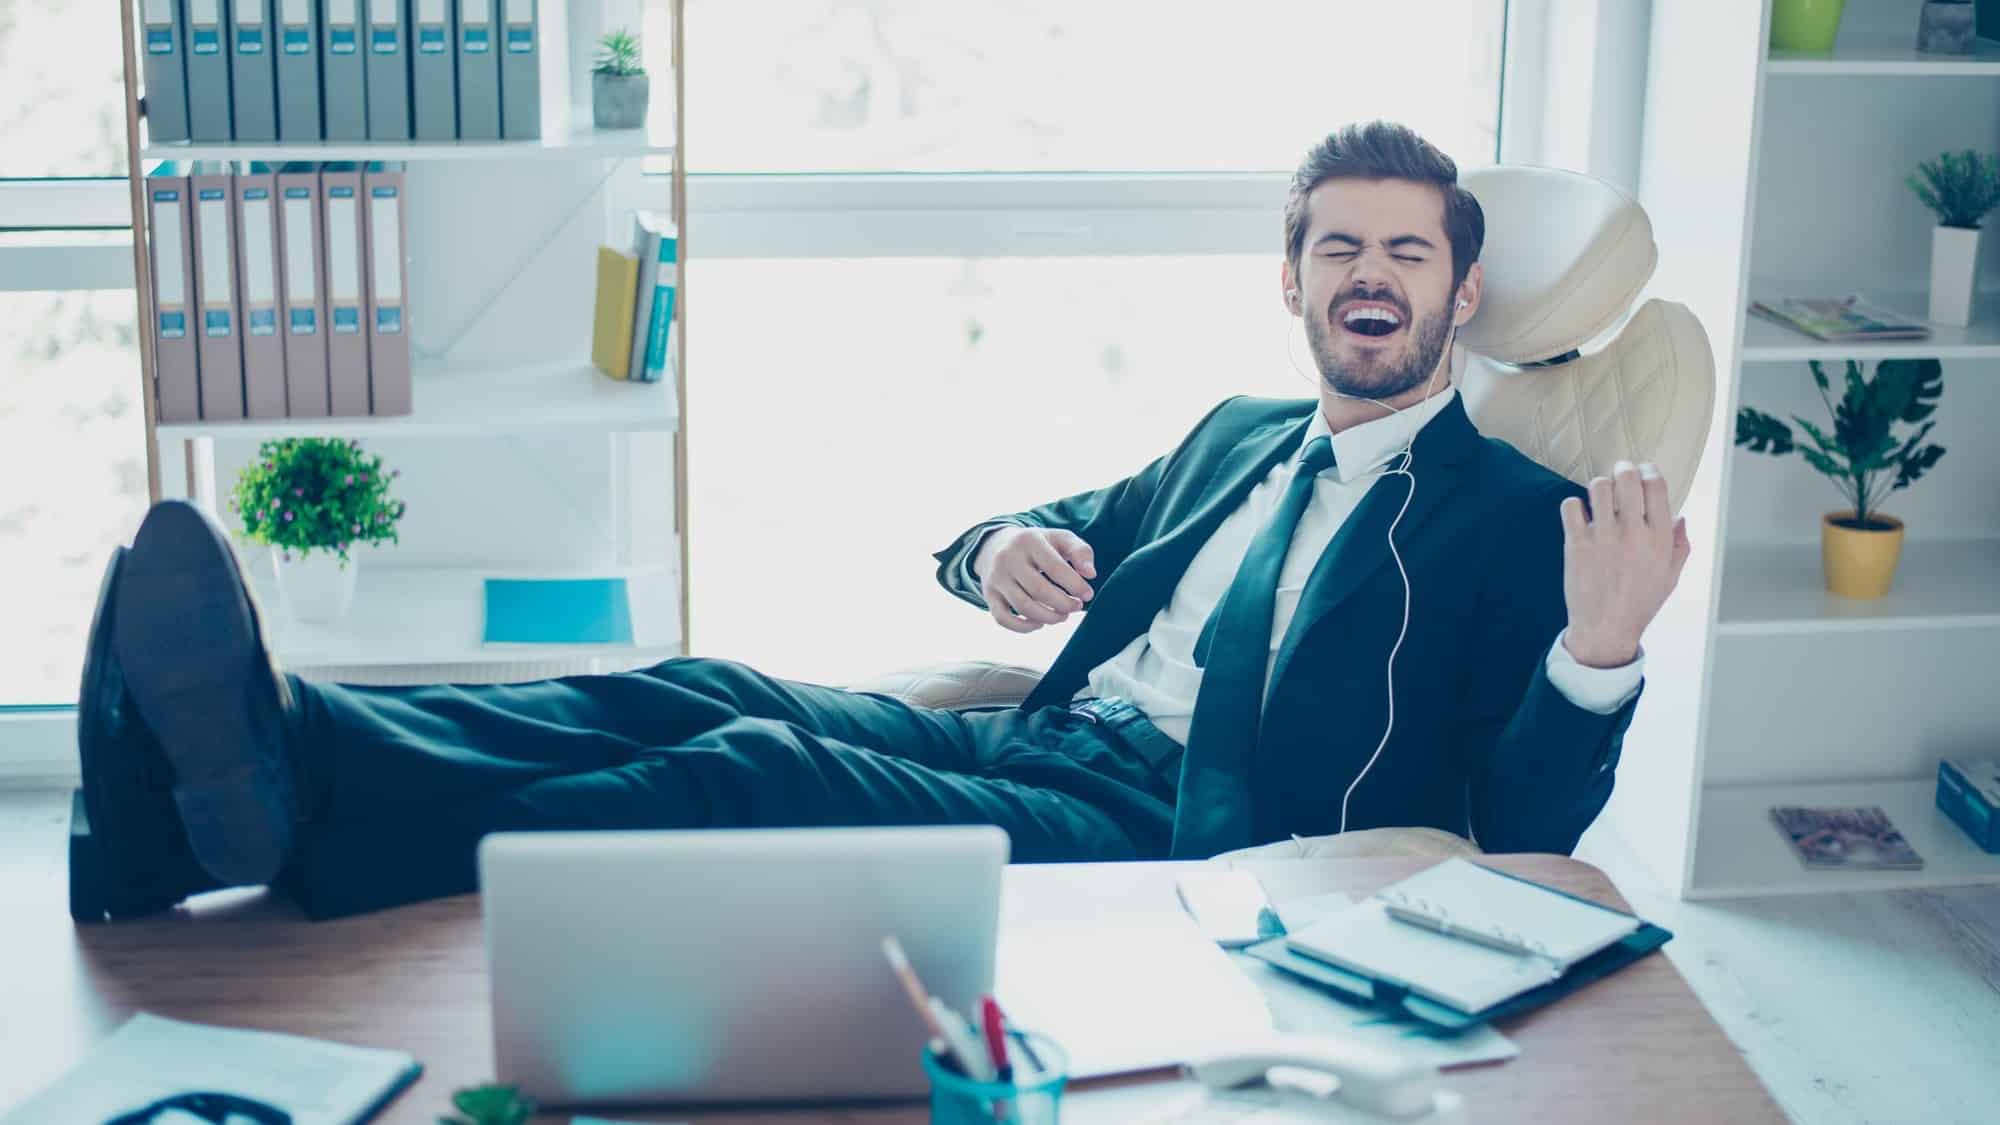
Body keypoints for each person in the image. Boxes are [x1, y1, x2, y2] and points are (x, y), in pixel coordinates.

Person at [73, 121, 1689, 922]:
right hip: (1034, 736)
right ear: (1291, 279)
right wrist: (997, 549)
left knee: (750, 774)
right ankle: (248, 766)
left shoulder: (1517, 515)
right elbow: (1043, 520)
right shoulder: (1238, 435)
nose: (1370, 278)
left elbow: (1523, 823)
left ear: (1462, 292)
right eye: (1339, 248)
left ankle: (261, 807)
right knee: (708, 688)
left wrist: (1601, 652)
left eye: (1408, 254)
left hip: (1182, 830)